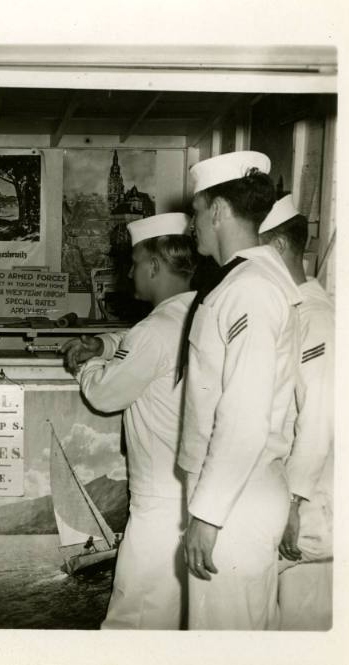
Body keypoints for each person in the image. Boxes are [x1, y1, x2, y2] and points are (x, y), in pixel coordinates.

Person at [177, 151, 302, 630]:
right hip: (237, 491)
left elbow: (244, 417)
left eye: (196, 212)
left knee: (225, 641)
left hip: (235, 499)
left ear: (217, 210)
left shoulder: (249, 289)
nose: (194, 226)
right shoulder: (241, 280)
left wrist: (208, 516)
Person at [62, 213, 197, 630]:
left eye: (135, 262)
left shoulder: (153, 330)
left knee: (131, 624)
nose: (129, 272)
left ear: (154, 267)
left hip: (157, 505)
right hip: (191, 496)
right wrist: (103, 343)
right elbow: (135, 343)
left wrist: (84, 364)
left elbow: (104, 394)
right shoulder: (199, 313)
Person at [258, 195, 334, 630]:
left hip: (310, 514)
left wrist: (293, 503)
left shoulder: (316, 320)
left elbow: (319, 417)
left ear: (280, 249)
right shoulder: (293, 313)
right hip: (297, 508)